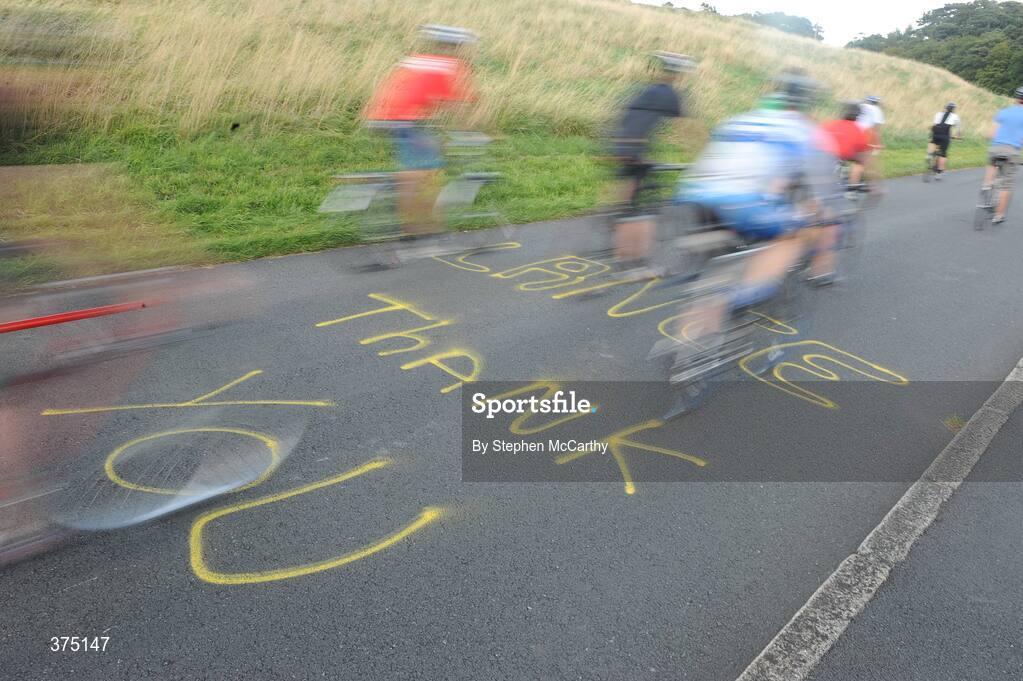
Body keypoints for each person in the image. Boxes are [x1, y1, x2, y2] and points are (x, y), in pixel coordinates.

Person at [658, 70, 842, 363]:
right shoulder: (805, 131)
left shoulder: (738, 119)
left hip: (693, 196)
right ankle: (742, 294)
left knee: (715, 268)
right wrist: (822, 218)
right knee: (798, 233)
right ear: (807, 105)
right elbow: (823, 194)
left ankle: (688, 345)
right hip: (744, 203)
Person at [363, 25, 478, 235]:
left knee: (416, 165)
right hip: (407, 120)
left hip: (381, 115)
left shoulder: (416, 59)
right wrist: (468, 132)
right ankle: (422, 225)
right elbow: (459, 106)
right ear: (457, 46)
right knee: (427, 170)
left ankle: (401, 203)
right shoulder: (452, 66)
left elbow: (416, 93)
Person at [608, 51, 696, 275]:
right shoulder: (670, 94)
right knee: (647, 208)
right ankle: (636, 262)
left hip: (620, 143)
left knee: (631, 202)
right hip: (635, 149)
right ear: (678, 74)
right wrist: (699, 155)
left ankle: (619, 224)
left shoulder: (648, 89)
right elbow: (687, 129)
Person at [982, 86, 1023, 224]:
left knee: (991, 163)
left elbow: (991, 133)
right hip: (1012, 151)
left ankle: (987, 184)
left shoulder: (1003, 111)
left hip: (996, 147)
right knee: (1006, 185)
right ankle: (998, 215)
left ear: (1016, 97)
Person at [821, 101, 871, 186]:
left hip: (827, 153)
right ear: (857, 116)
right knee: (860, 162)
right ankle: (853, 185)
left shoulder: (830, 124)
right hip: (846, 153)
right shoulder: (858, 129)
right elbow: (862, 147)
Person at [928, 102, 961, 177]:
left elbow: (934, 125)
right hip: (945, 136)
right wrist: (959, 137)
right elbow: (958, 130)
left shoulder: (938, 114)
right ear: (953, 109)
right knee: (943, 154)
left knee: (934, 146)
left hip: (935, 134)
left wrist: (931, 135)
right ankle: (939, 172)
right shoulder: (955, 116)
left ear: (946, 108)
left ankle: (930, 155)